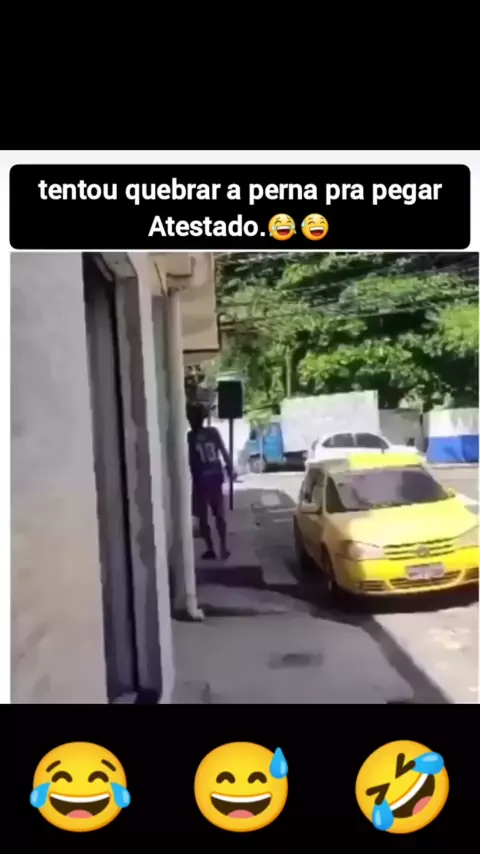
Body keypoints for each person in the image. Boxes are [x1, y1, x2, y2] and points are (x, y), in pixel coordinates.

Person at [187, 403, 233, 560]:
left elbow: (191, 461)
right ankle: (223, 548)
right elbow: (223, 451)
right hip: (215, 476)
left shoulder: (191, 437)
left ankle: (211, 549)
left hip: (201, 480)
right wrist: (229, 466)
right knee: (219, 514)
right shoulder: (213, 432)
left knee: (202, 517)